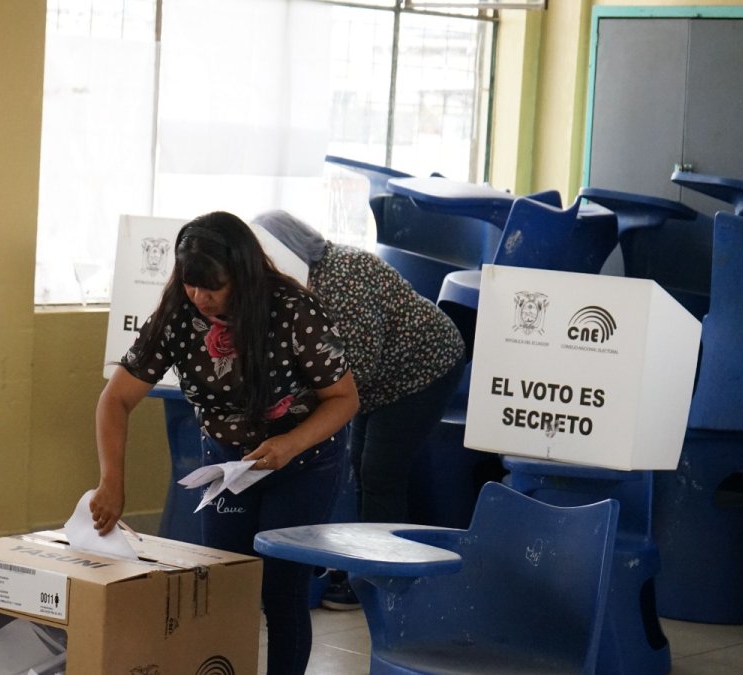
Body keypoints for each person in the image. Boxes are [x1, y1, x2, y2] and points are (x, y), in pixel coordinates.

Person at [90, 211, 359, 675]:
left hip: (302, 462)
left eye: (213, 287)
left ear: (244, 274)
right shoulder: (177, 315)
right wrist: (111, 480)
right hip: (229, 467)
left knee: (282, 589)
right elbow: (116, 400)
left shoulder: (293, 311)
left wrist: (290, 444)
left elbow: (343, 399)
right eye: (192, 285)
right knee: (222, 586)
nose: (201, 298)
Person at [253, 210, 466, 610]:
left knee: (380, 473)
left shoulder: (342, 276)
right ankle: (366, 568)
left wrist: (299, 408)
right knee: (362, 467)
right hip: (381, 380)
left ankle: (382, 583)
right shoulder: (307, 280)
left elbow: (358, 367)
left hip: (423, 369)